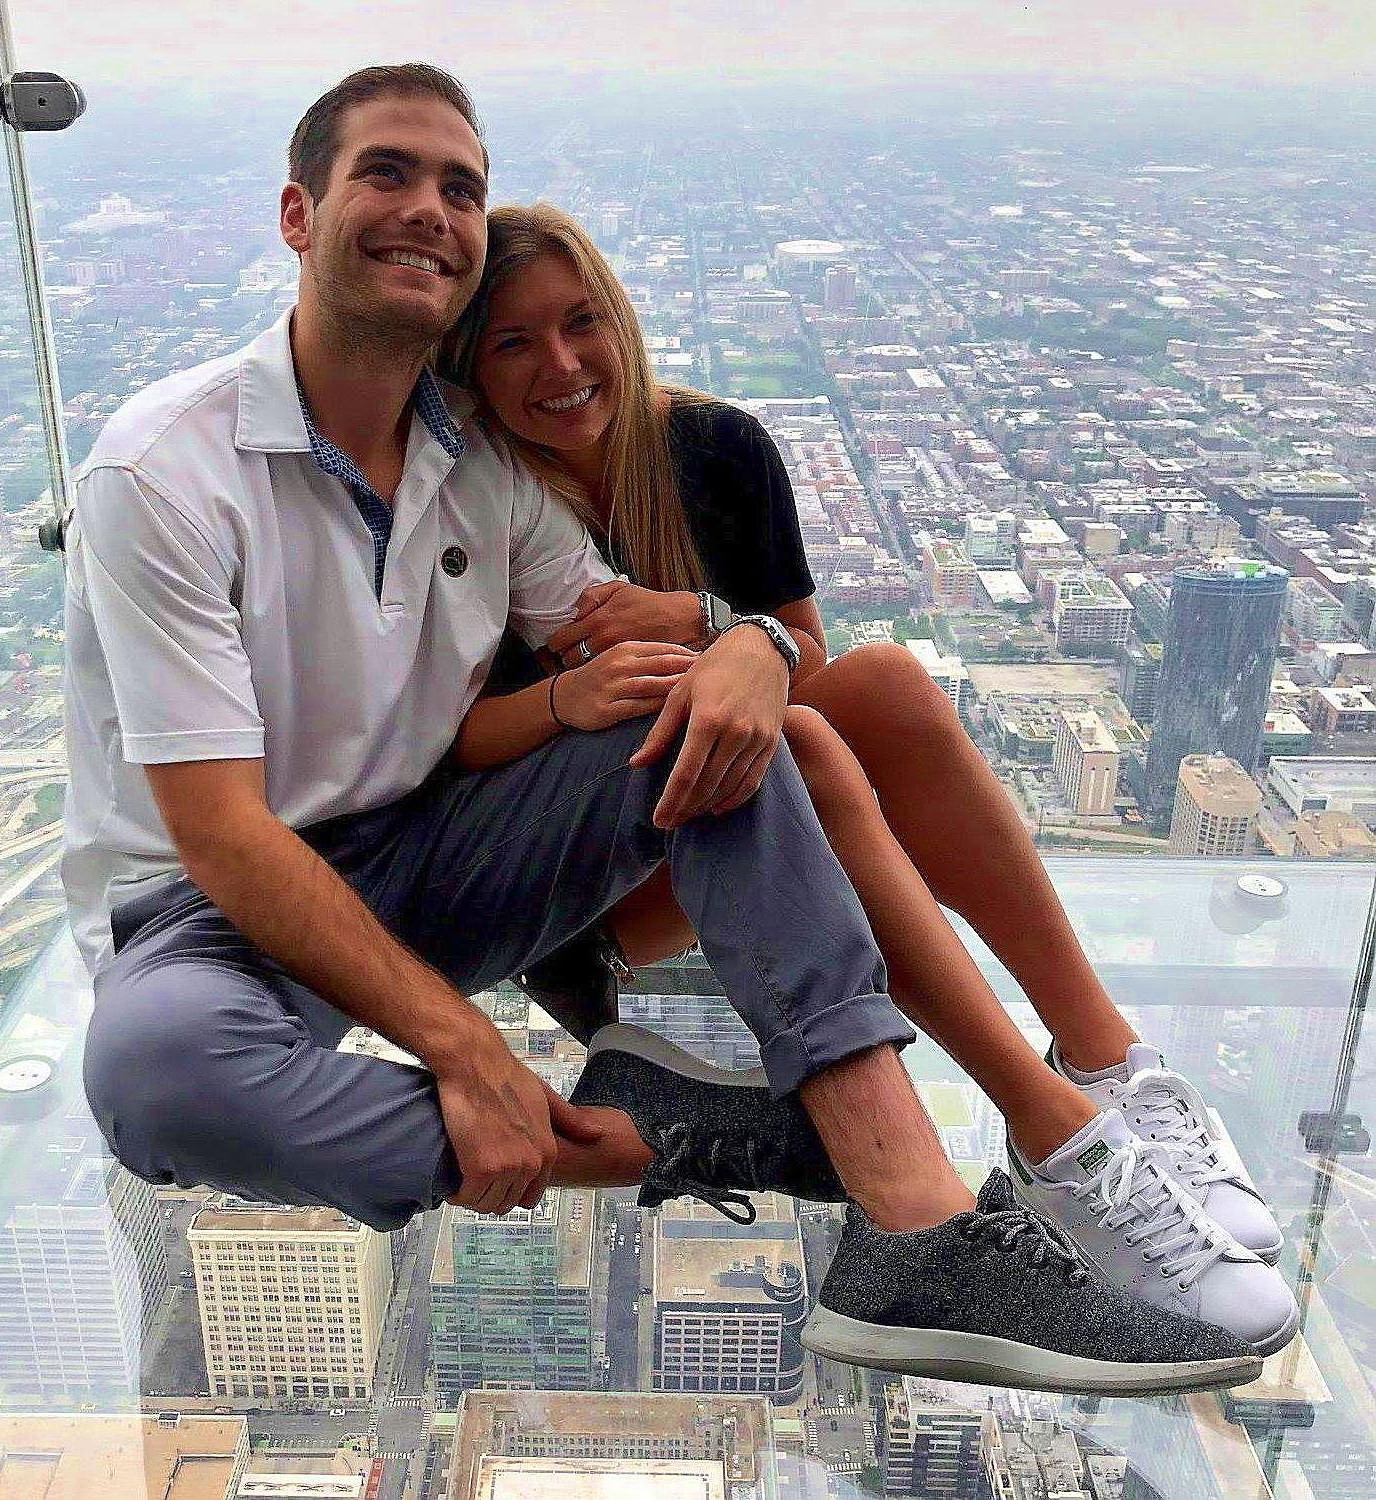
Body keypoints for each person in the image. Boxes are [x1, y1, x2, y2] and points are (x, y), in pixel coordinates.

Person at [62, 62, 1272, 1394]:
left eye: (459, 187)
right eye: (386, 174)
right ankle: (727, 1134)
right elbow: (223, 836)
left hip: (433, 857)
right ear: (298, 214)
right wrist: (465, 1051)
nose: (429, 210)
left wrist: (749, 644)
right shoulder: (165, 471)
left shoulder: (481, 472)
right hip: (211, 915)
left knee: (740, 726)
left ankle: (919, 1219)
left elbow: (636, 639)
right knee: (154, 1078)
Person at [443, 201, 1297, 1356]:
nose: (561, 363)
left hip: (727, 813)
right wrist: (585, 690)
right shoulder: (472, 502)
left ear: (620, 319)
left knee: (886, 683)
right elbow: (440, 752)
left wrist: (712, 626)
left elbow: (802, 650)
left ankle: (1106, 1066)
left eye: (580, 322)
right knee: (803, 745)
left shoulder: (713, 448)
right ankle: (1056, 1135)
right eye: (513, 342)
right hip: (590, 892)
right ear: (468, 366)